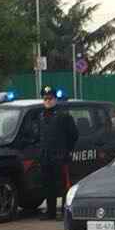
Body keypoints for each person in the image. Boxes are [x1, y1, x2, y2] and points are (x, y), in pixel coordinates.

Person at [38, 87, 79, 220]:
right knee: (48, 185)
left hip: (60, 156)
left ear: (55, 99)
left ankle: (63, 212)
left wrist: (67, 151)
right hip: (46, 157)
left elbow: (74, 135)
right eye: (45, 99)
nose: (48, 101)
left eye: (50, 99)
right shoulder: (41, 115)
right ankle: (51, 212)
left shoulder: (63, 116)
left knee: (62, 185)